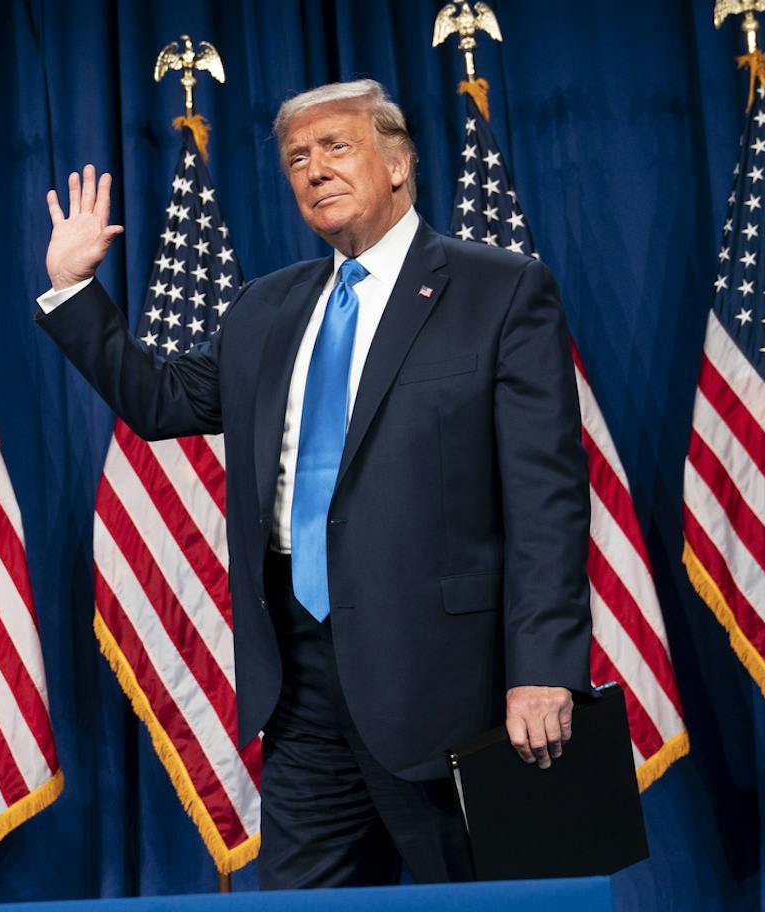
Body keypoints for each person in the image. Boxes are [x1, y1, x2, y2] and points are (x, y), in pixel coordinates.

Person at [36, 78, 591, 887]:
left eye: (336, 147)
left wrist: (542, 666)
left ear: (398, 165)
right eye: (297, 158)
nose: (314, 170)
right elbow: (160, 403)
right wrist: (76, 289)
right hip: (300, 686)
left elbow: (547, 499)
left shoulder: (498, 290)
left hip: (449, 689)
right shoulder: (266, 308)